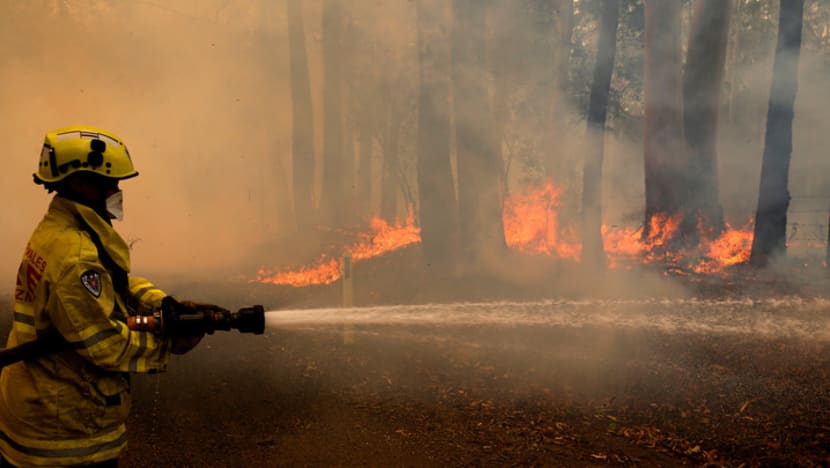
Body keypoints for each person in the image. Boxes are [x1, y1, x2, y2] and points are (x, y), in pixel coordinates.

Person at [0, 125, 212, 467]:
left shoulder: (63, 229)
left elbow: (112, 282)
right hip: (63, 429)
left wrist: (161, 304)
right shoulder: (75, 255)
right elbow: (106, 344)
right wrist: (167, 344)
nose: (117, 190)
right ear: (80, 182)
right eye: (110, 183)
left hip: (41, 402)